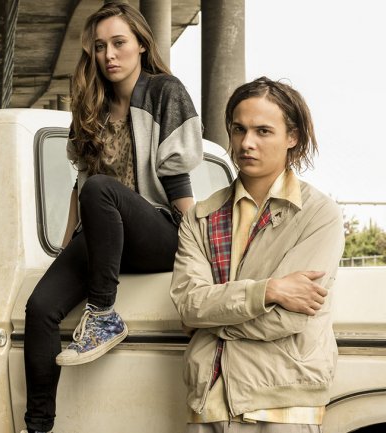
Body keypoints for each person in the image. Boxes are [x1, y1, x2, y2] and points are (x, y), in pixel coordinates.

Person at [22, 1, 202, 432]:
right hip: (105, 239)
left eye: (119, 43)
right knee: (39, 308)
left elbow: (177, 181)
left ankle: (103, 315)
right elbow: (80, 184)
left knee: (102, 188)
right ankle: (38, 424)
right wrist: (66, 250)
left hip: (158, 233)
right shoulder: (91, 105)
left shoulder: (164, 91)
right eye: (100, 47)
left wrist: (201, 253)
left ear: (141, 44)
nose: (109, 55)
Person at [170, 77, 345, 432]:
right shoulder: (201, 216)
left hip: (283, 403)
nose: (246, 143)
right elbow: (189, 306)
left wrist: (210, 321)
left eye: (263, 131)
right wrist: (268, 291)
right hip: (208, 401)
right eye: (239, 129)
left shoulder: (318, 213)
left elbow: (288, 319)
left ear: (292, 137)